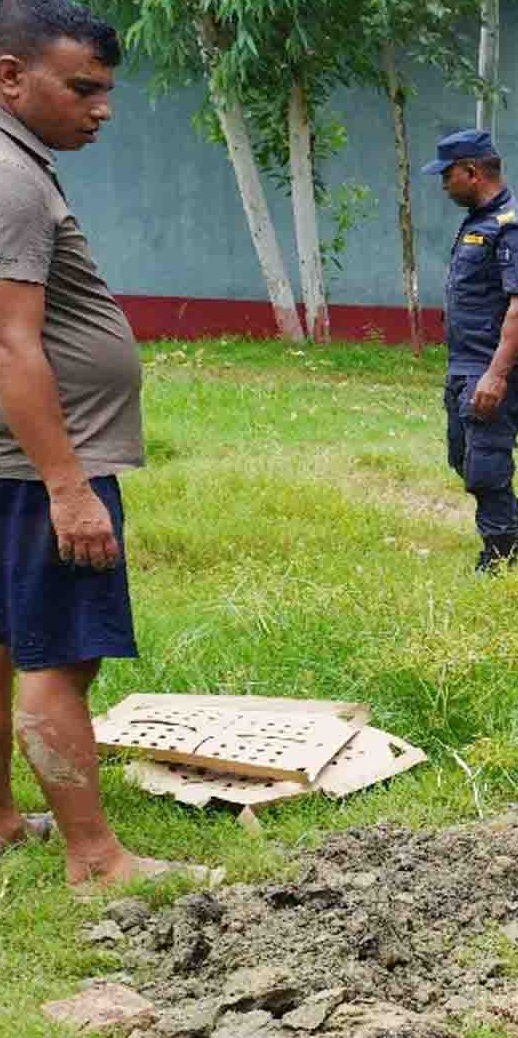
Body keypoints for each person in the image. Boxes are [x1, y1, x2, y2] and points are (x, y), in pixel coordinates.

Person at [0, 0, 208, 889]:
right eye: (82, 87)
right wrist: (68, 486)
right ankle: (96, 860)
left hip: (13, 464)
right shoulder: (12, 180)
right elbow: (13, 343)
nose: (102, 109)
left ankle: (6, 820)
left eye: (106, 90)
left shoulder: (19, 167)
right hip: (40, 461)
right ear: (11, 76)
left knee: (9, 643)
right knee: (57, 653)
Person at [427, 129, 518, 573]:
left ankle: (498, 561)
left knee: (486, 466)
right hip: (466, 364)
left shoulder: (514, 228)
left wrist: (496, 376)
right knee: (463, 457)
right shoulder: (478, 223)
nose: (443, 184)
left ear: (472, 172)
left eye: (448, 175)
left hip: (497, 368)